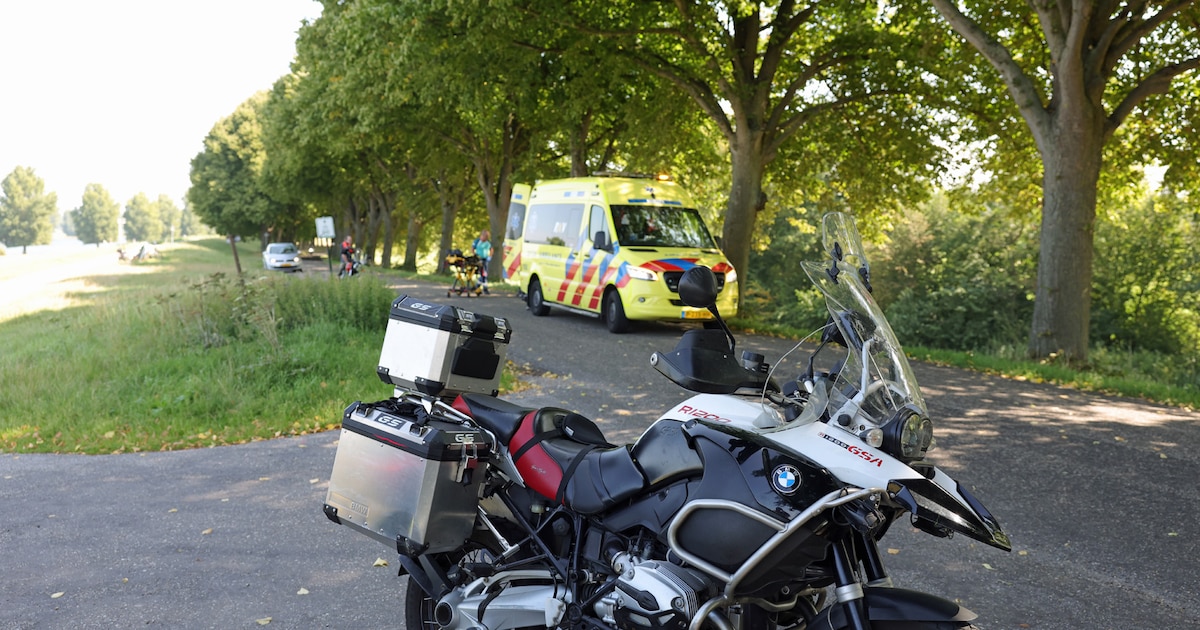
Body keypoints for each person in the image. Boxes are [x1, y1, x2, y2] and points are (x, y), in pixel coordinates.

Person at [472, 229, 492, 294]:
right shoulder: (477, 241)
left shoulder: (488, 242)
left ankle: (479, 285)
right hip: (478, 259)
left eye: (487, 237)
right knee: (482, 273)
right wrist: (475, 256)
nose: (485, 239)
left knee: (484, 273)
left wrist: (490, 256)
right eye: (485, 237)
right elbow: (472, 248)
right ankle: (482, 287)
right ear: (481, 235)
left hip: (485, 259)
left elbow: (491, 249)